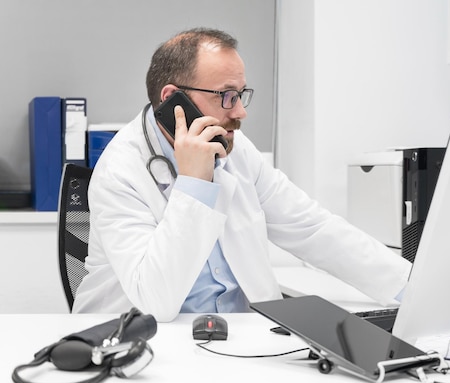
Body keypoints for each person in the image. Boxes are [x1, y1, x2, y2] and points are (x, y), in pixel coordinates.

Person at [72, 28, 411, 322]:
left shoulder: (237, 150)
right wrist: (194, 184)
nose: (241, 111)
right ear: (173, 100)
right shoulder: (120, 170)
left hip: (241, 334)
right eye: (226, 96)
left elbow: (312, 227)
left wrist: (413, 288)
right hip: (148, 341)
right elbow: (156, 299)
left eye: (241, 94)